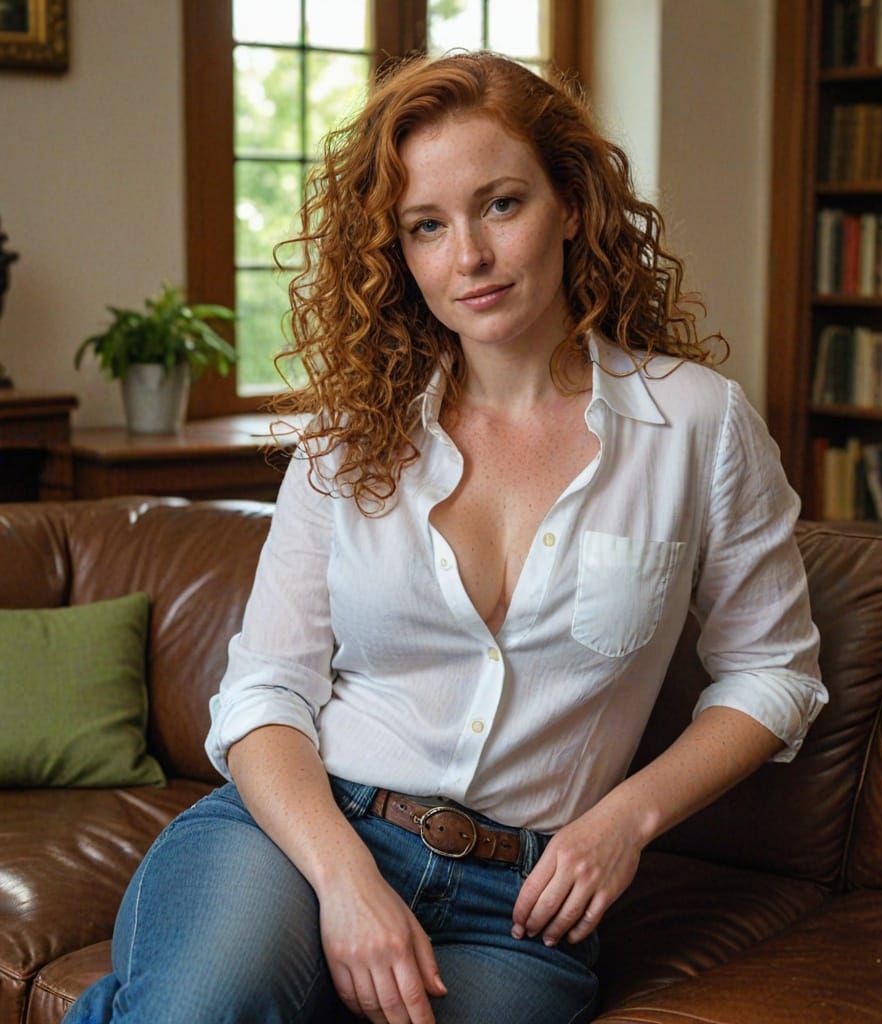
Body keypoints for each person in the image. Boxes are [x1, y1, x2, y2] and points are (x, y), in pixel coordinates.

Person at [65, 51, 826, 1024]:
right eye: (427, 225)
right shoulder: (346, 438)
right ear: (399, 252)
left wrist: (619, 823)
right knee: (202, 1010)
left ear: (571, 203)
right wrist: (346, 885)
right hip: (302, 841)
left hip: (518, 905)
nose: (467, 255)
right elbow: (264, 692)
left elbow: (773, 672)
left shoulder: (696, 424)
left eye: (500, 204)